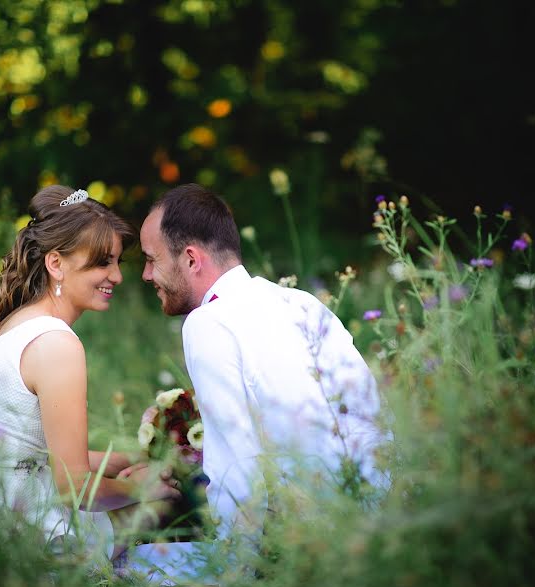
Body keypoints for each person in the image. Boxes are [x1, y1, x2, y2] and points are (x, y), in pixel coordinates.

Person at [137, 183, 387, 566]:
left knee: (131, 563)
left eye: (152, 259)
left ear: (190, 259)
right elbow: (371, 413)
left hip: (309, 546)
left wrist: (234, 574)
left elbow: (237, 466)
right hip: (378, 520)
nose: (145, 274)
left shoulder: (208, 322)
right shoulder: (301, 303)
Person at [0, 185, 180, 563]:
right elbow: (74, 489)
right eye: (103, 262)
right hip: (10, 523)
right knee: (163, 506)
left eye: (117, 262)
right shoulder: (57, 345)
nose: (116, 276)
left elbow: (27, 447)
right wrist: (141, 488)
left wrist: (122, 460)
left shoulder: (18, 320)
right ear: (56, 263)